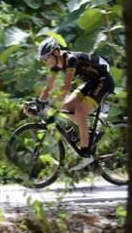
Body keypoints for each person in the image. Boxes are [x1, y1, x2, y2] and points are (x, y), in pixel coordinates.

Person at [32, 37, 114, 170]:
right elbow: (48, 88)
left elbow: (66, 86)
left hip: (103, 81)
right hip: (91, 83)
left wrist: (53, 106)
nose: (46, 62)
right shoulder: (55, 66)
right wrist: (39, 103)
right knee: (66, 107)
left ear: (56, 52)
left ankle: (86, 154)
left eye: (47, 57)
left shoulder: (71, 59)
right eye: (43, 59)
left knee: (80, 112)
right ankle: (86, 133)